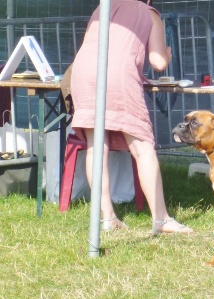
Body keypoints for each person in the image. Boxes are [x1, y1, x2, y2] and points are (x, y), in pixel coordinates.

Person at [70, 0, 193, 234]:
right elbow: (157, 62)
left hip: (83, 72)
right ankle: (161, 219)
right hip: (117, 75)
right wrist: (167, 54)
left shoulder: (102, 7)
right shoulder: (148, 12)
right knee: (143, 147)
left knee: (97, 147)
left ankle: (108, 218)